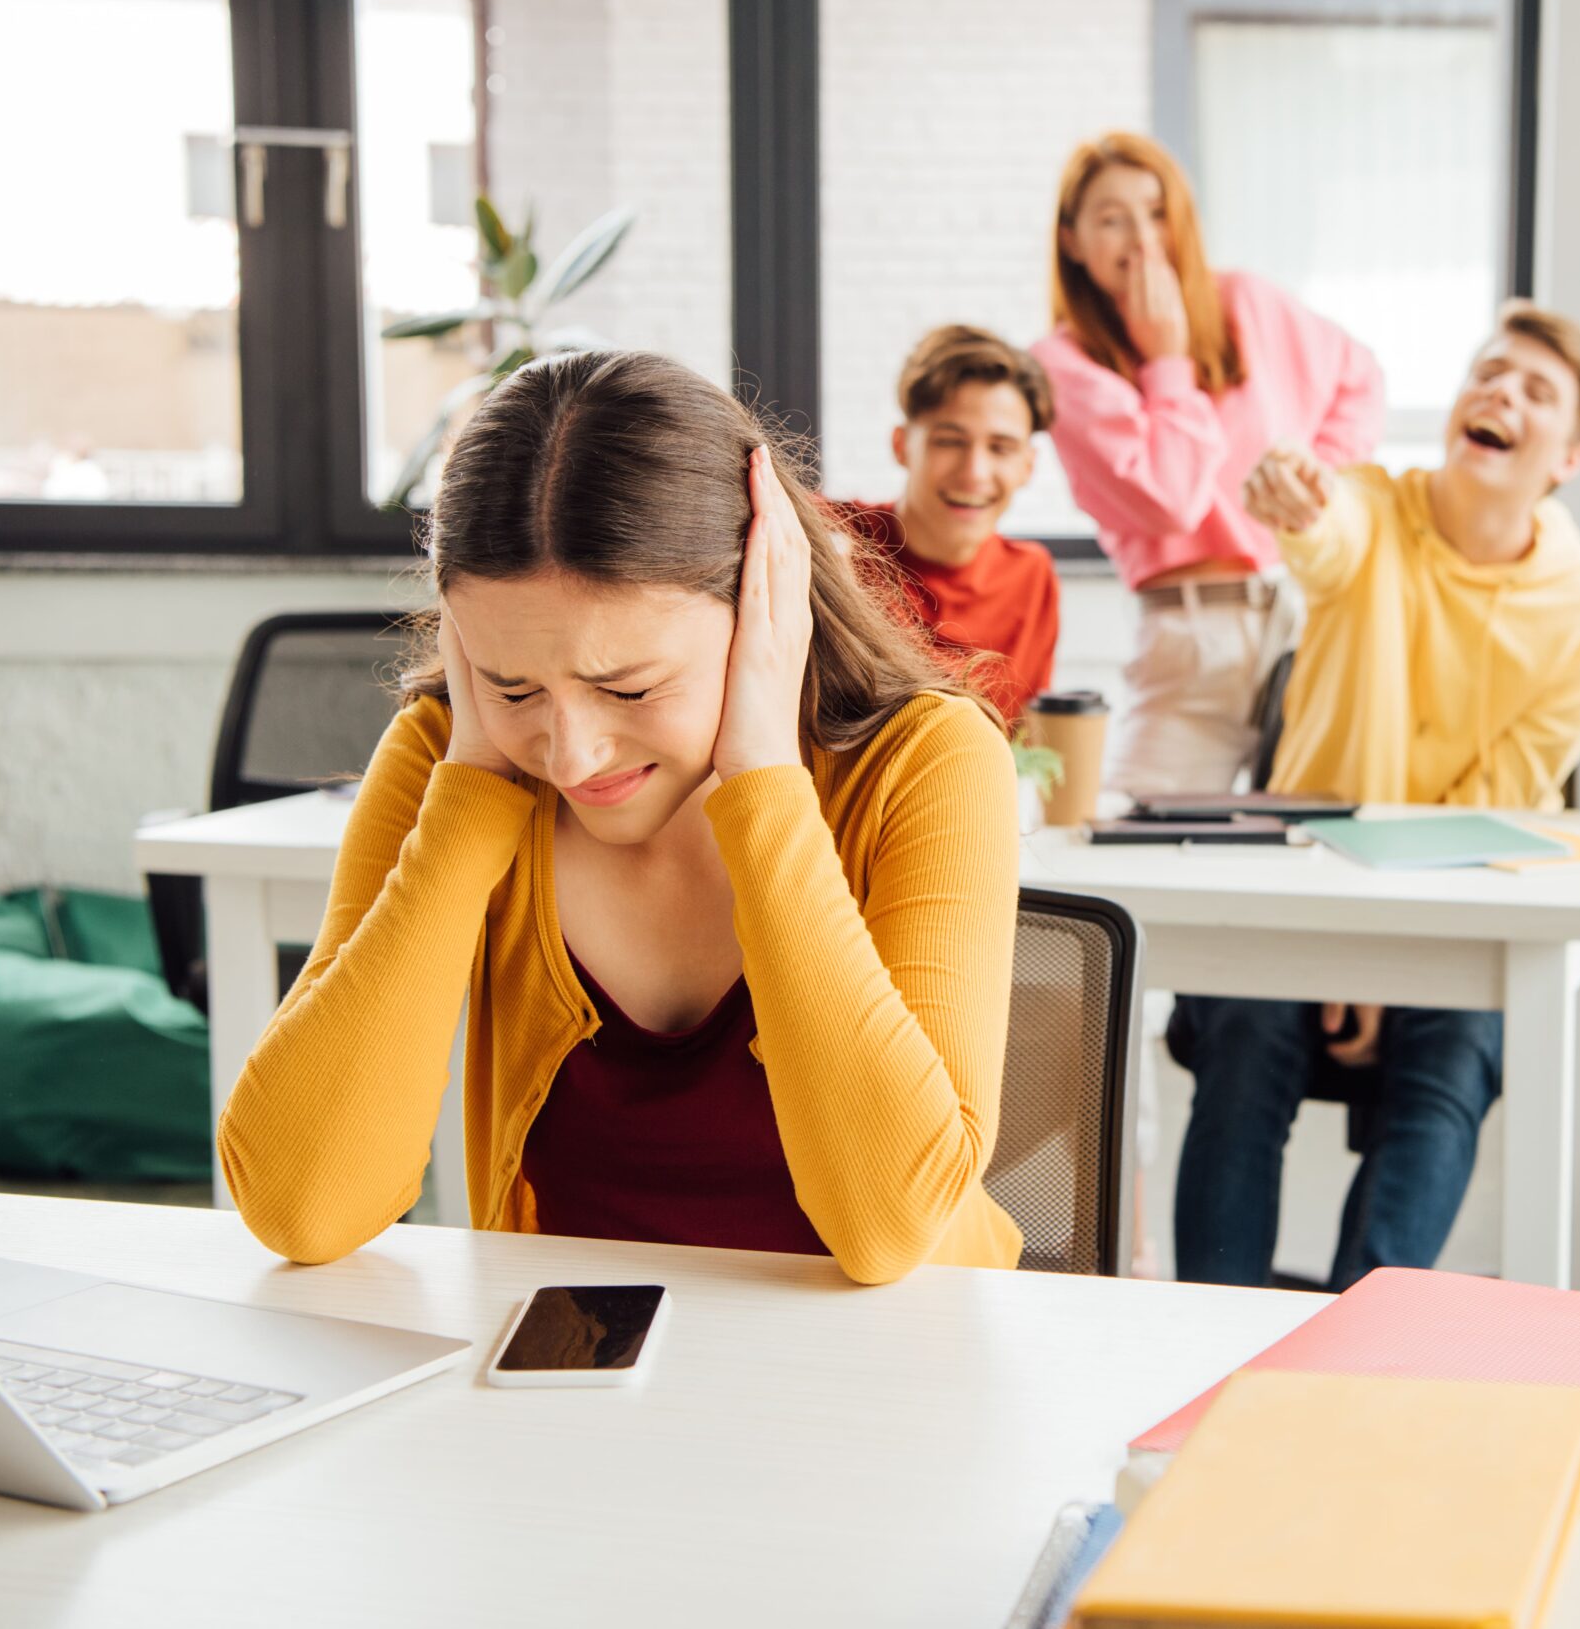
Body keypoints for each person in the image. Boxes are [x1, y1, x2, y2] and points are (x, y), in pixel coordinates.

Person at [217, 350, 1023, 1285]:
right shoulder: (456, 759)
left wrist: (762, 779)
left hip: (886, 1380)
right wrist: (474, 783)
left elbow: (888, 1226)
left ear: (765, 611)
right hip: (570, 1383)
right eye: (511, 685)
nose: (571, 755)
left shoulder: (928, 762)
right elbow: (298, 1204)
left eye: (629, 686)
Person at [1168, 302, 1580, 1291]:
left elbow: (1493, 803)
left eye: (1533, 390)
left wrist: (1387, 948)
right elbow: (1324, 532)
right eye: (1487, 372)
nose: (1498, 392)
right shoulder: (1373, 504)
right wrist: (1292, 501)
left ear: (1570, 456)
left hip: (1455, 902)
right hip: (1302, 881)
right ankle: (1201, 1340)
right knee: (1244, 1033)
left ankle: (1354, 1352)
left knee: (1456, 1048)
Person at [1032, 130, 1383, 796]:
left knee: (1309, 844)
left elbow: (1361, 378)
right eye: (1112, 219)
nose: (1142, 238)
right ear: (1072, 240)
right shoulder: (1061, 364)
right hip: (1191, 638)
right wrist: (1168, 359)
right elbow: (1172, 499)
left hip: (1299, 616)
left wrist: (1314, 479)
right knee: (1136, 842)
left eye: (1157, 211)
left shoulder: (1246, 302)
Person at [839, 325, 1062, 722]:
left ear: (1028, 466)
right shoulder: (836, 538)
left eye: (1001, 448)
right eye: (949, 441)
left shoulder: (1031, 576)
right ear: (902, 445)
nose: (974, 472)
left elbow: (1024, 744)